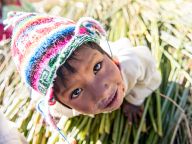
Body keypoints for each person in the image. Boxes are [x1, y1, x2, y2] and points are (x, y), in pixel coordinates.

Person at [4, 11, 161, 143]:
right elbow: (39, 100)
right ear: (56, 100)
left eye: (97, 67)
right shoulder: (56, 108)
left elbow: (151, 72)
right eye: (76, 92)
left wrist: (134, 101)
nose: (102, 92)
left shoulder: (131, 64)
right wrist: (50, 116)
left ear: (107, 56)